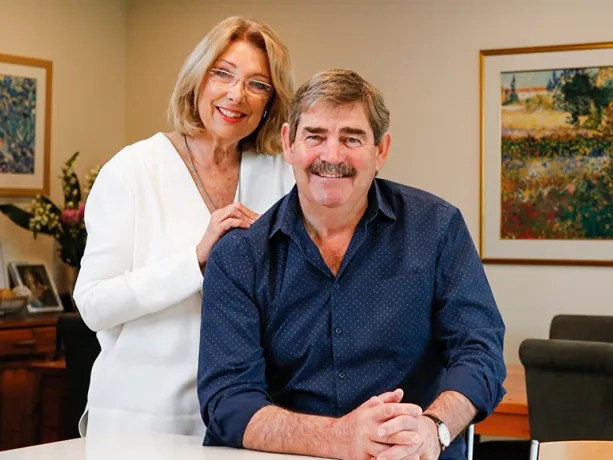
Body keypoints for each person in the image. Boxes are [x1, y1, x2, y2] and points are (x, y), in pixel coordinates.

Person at [198, 69, 506, 460]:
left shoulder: (437, 228)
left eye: (351, 138)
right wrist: (337, 437)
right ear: (288, 143)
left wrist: (433, 429)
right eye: (315, 136)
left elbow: (481, 353)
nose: (332, 156)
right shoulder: (240, 256)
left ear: (381, 150)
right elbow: (227, 402)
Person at [73, 16, 295, 437]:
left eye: (257, 83)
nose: (236, 95)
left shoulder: (282, 178)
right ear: (197, 79)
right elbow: (93, 305)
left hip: (251, 419)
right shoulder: (133, 170)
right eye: (222, 73)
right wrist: (194, 261)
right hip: (143, 420)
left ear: (271, 101)